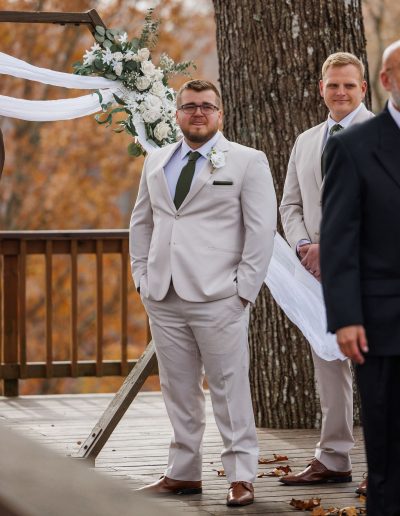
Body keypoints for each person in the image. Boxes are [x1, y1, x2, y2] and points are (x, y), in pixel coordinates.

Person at [129, 79, 277, 506]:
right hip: (163, 295)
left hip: (220, 297)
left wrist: (243, 291)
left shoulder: (247, 162)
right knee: (178, 388)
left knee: (230, 388)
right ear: (177, 114)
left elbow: (261, 231)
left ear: (220, 114)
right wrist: (142, 278)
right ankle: (183, 472)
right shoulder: (156, 161)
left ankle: (241, 475)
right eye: (190, 106)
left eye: (207, 106)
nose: (198, 113)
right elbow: (142, 223)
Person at [279, 53, 373, 490]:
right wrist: (303, 246)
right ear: (321, 89)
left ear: (363, 89)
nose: (340, 92)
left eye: (349, 86)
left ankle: (387, 466)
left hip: (370, 271)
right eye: (333, 85)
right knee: (328, 364)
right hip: (314, 274)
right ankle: (333, 458)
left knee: (381, 368)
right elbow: (290, 205)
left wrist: (331, 251)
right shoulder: (305, 141)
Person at [320, 41, 400, 516]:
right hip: (384, 325)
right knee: (389, 450)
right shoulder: (352, 147)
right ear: (388, 81)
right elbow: (340, 241)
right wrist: (346, 317)